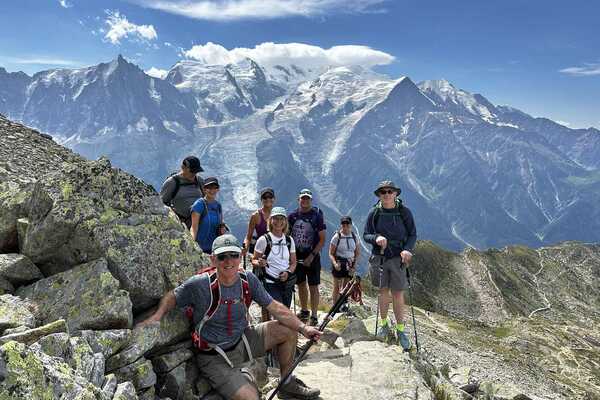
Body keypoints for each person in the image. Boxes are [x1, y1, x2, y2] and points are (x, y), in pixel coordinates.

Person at [138, 234, 321, 400]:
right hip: (213, 356)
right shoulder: (201, 285)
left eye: (233, 255)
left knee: (289, 330)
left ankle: (286, 384)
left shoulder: (248, 279)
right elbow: (173, 296)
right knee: (251, 398)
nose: (228, 261)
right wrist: (157, 316)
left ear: (240, 257)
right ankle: (238, 378)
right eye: (222, 256)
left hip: (242, 340)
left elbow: (275, 307)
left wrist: (304, 328)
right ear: (213, 259)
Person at [363, 180, 417, 350]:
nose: (386, 194)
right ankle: (385, 325)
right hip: (379, 257)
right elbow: (366, 235)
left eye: (389, 191)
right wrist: (376, 238)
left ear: (395, 194)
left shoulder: (404, 212)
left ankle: (400, 330)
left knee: (398, 294)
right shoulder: (374, 213)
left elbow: (413, 234)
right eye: (383, 192)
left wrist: (408, 249)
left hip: (397, 258)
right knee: (382, 292)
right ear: (379, 195)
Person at [288, 189, 326, 326]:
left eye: (307, 199)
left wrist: (312, 255)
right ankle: (304, 311)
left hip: (313, 256)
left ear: (311, 200)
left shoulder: (317, 216)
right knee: (301, 284)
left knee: (313, 285)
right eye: (302, 198)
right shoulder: (292, 216)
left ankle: (314, 315)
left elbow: (322, 239)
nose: (305, 201)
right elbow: (287, 235)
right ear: (298, 199)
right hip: (297, 256)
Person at [252, 207, 297, 315]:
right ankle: (269, 331)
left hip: (286, 284)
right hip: (269, 283)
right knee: (280, 314)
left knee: (285, 314)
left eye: (281, 219)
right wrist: (259, 263)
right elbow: (254, 260)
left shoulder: (289, 240)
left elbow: (293, 262)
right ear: (270, 221)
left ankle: (278, 332)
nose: (278, 222)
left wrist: (288, 272)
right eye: (275, 218)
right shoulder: (263, 240)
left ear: (285, 222)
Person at [160, 155, 204, 228]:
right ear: (183, 168)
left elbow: (208, 200)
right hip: (180, 224)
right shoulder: (172, 182)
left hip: (199, 222)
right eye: (192, 171)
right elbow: (162, 203)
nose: (194, 174)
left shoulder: (199, 181)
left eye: (196, 172)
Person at [328, 216, 360, 306]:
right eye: (343, 224)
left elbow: (357, 252)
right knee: (336, 287)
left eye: (347, 224)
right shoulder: (337, 237)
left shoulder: (354, 237)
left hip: (350, 264)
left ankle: (343, 304)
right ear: (341, 225)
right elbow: (330, 253)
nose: (345, 226)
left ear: (351, 225)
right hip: (339, 262)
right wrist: (334, 264)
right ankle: (334, 306)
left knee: (346, 286)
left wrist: (354, 266)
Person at [190, 177, 225, 254]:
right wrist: (192, 245)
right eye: (209, 188)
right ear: (204, 189)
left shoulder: (218, 205)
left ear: (218, 189)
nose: (212, 190)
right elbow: (194, 227)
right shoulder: (199, 204)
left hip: (215, 249)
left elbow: (220, 224)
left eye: (215, 188)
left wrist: (222, 228)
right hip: (200, 249)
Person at [243, 187, 275, 256]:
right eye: (265, 197)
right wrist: (245, 248)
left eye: (270, 197)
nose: (268, 199)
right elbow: (249, 236)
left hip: (275, 250)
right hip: (260, 250)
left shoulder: (278, 215)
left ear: (274, 199)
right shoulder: (255, 216)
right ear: (261, 200)